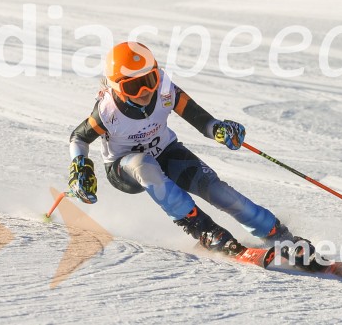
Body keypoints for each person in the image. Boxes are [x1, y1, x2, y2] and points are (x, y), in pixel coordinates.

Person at [67, 41, 315, 262]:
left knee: (218, 190)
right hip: (125, 168)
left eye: (149, 80)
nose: (145, 92)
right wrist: (79, 167)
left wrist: (219, 129)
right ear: (117, 88)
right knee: (144, 165)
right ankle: (204, 230)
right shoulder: (108, 111)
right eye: (134, 87)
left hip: (166, 151)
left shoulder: (165, 90)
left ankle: (277, 234)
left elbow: (200, 119)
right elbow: (79, 137)